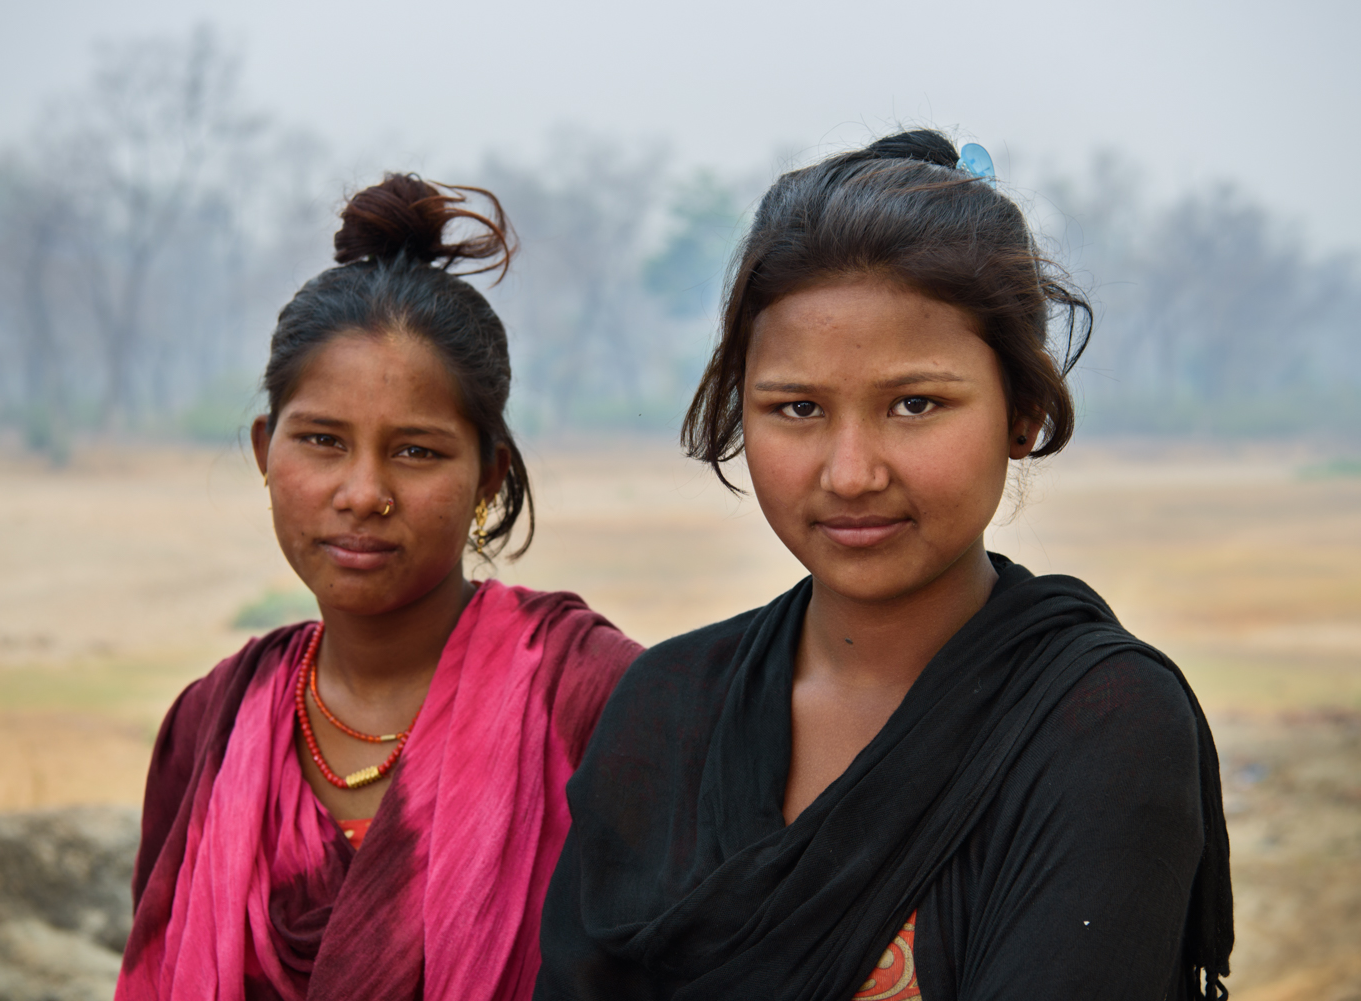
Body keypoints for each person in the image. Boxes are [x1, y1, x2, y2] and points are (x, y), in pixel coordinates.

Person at [535, 131, 1233, 1001]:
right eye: (796, 407)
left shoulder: (1102, 722)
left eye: (915, 404)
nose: (852, 472)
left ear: (1022, 412)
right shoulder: (667, 705)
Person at [116, 174, 642, 1001]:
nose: (363, 492)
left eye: (417, 451)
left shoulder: (589, 698)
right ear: (265, 452)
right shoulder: (208, 729)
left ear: (489, 476)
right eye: (322, 440)